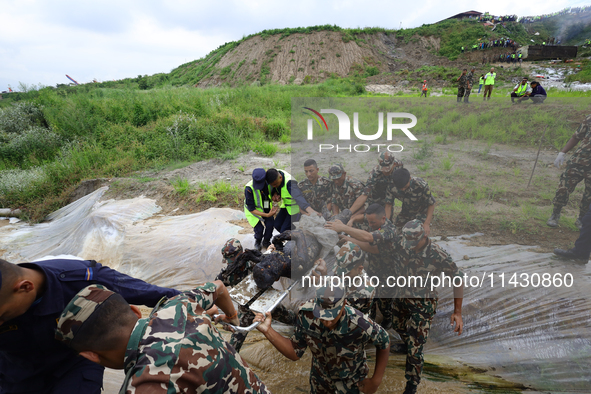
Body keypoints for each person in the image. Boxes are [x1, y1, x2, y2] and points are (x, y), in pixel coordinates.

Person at [0, 257, 180, 394]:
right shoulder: (5, 298)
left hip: (73, 365)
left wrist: (202, 303)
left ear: (25, 288)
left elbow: (155, 294)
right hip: (16, 373)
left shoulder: (83, 278)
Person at [55, 282, 270, 393]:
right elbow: (220, 288)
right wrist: (232, 318)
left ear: (91, 356)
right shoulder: (179, 305)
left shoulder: (142, 387)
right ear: (136, 310)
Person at [253, 284, 390, 394]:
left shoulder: (358, 323)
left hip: (352, 383)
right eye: (322, 316)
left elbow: (384, 341)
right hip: (320, 382)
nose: (327, 322)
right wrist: (268, 330)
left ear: (344, 304)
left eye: (331, 316)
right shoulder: (306, 315)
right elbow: (295, 352)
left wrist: (375, 381)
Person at [394, 220, 464, 394]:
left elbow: (458, 279)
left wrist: (457, 312)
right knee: (397, 325)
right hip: (401, 296)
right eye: (407, 242)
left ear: (424, 236)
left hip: (423, 303)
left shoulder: (438, 255)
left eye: (413, 243)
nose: (409, 247)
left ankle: (411, 385)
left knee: (415, 348)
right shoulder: (404, 243)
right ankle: (407, 343)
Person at [325, 204, 403, 330]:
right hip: (374, 267)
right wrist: (352, 220)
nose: (370, 224)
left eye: (372, 222)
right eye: (368, 221)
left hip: (388, 272)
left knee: (384, 300)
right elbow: (362, 220)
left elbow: (370, 242)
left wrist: (345, 232)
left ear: (383, 219)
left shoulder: (389, 230)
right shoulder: (374, 223)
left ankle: (387, 318)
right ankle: (370, 315)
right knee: (372, 297)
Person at [216, 238, 296, 352]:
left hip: (266, 303)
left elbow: (268, 260)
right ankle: (231, 365)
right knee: (233, 347)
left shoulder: (255, 262)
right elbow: (214, 287)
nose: (232, 263)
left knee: (292, 319)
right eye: (230, 261)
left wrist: (270, 251)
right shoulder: (227, 274)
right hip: (246, 311)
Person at [547, 114, 591, 230]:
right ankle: (555, 214)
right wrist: (562, 153)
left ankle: (581, 219)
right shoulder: (589, 119)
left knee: (589, 196)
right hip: (579, 161)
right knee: (563, 188)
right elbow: (576, 136)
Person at [348, 152, 403, 223]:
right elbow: (364, 195)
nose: (385, 172)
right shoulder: (375, 173)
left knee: (388, 218)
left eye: (388, 170)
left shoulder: (399, 166)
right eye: (383, 170)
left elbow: (389, 203)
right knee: (374, 216)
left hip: (392, 189)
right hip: (377, 193)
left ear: (394, 165)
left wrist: (386, 224)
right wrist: (349, 212)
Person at [266, 168, 317, 234]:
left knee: (284, 231)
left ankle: (295, 237)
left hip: (295, 209)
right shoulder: (274, 174)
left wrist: (310, 210)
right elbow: (274, 187)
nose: (274, 186)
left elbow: (298, 197)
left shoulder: (290, 184)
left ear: (280, 177)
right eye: (272, 185)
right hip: (286, 206)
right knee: (277, 225)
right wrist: (275, 193)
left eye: (275, 184)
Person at [389, 168, 436, 236]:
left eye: (405, 187)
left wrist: (426, 223)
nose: (403, 189)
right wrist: (386, 224)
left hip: (421, 213)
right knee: (395, 234)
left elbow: (431, 204)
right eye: (400, 188)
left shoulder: (421, 185)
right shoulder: (392, 185)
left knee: (417, 236)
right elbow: (388, 205)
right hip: (406, 213)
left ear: (410, 179)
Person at [244, 168, 277, 250]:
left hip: (265, 207)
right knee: (259, 229)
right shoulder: (249, 189)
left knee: (270, 224)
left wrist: (275, 196)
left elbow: (274, 191)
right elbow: (251, 208)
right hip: (253, 211)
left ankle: (266, 241)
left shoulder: (269, 182)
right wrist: (267, 215)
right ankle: (258, 241)